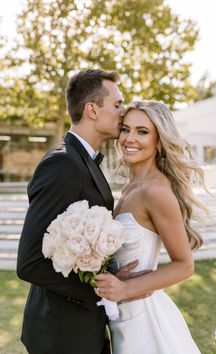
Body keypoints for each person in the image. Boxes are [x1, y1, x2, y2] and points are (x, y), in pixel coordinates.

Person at [17, 70, 149, 354]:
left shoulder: (83, 160)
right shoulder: (62, 164)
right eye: (117, 104)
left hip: (82, 327)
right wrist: (102, 288)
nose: (123, 111)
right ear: (92, 109)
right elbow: (29, 263)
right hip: (60, 334)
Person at [95, 100, 208, 354]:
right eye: (125, 129)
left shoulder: (156, 190)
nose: (129, 138)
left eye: (142, 132)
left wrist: (126, 288)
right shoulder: (131, 186)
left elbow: (184, 264)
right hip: (121, 315)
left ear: (159, 141)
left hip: (143, 320)